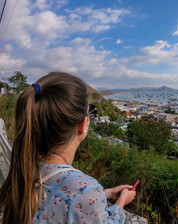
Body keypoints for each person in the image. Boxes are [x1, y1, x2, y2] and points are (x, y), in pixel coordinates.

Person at [0, 72, 136, 224]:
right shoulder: (85, 189)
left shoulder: (22, 169)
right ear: (83, 125)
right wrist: (122, 201)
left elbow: (60, 198)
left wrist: (107, 193)